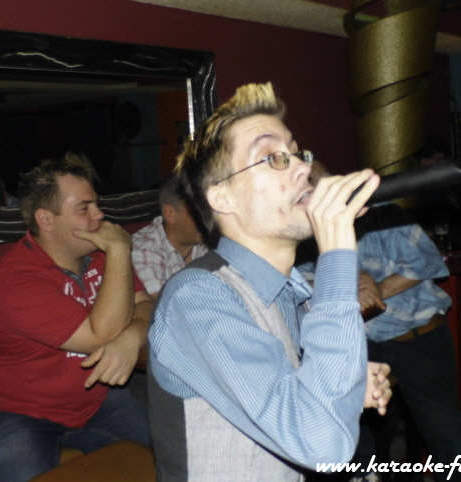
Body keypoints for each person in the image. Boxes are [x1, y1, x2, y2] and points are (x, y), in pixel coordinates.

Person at [147, 82, 392, 481]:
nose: (303, 168)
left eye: (297, 154)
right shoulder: (198, 297)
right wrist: (336, 255)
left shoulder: (290, 294)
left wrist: (344, 386)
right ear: (222, 197)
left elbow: (298, 403)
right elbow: (322, 445)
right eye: (273, 158)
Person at [0, 158, 153, 481]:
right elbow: (100, 336)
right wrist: (121, 250)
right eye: (84, 208)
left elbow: (145, 305)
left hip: (91, 401)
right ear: (46, 219)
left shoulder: (98, 254)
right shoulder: (17, 280)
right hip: (7, 412)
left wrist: (132, 337)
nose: (99, 215)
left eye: (97, 204)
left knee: (164, 459)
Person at [302, 162, 461, 481]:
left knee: (447, 438)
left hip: (415, 336)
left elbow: (428, 262)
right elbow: (300, 279)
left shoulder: (381, 213)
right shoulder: (300, 228)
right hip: (360, 341)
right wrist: (349, 279)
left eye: (313, 184)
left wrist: (376, 289)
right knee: (342, 426)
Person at [132, 173, 208, 297]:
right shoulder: (144, 249)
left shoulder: (212, 239)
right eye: (199, 212)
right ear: (170, 213)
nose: (208, 219)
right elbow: (161, 304)